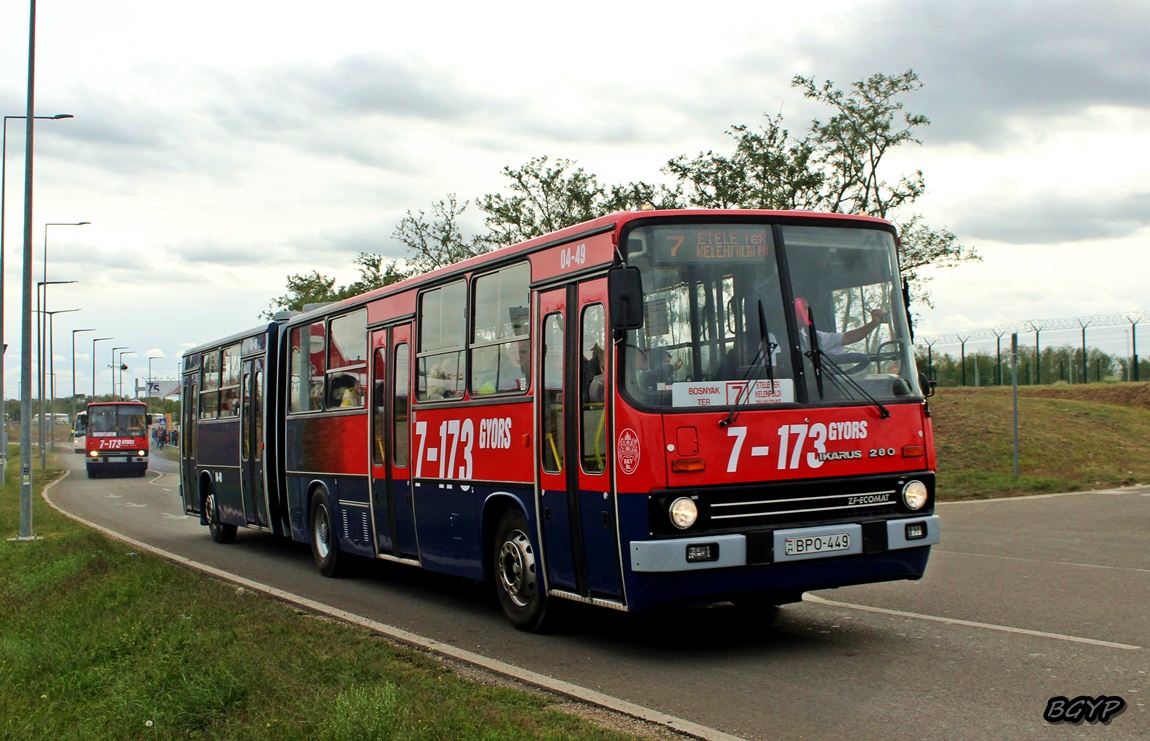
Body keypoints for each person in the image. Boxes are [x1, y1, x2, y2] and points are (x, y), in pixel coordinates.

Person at [794, 297, 885, 355]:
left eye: (806, 308)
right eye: (800, 309)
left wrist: (874, 323)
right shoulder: (780, 339)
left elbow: (850, 337)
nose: (805, 313)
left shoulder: (816, 337)